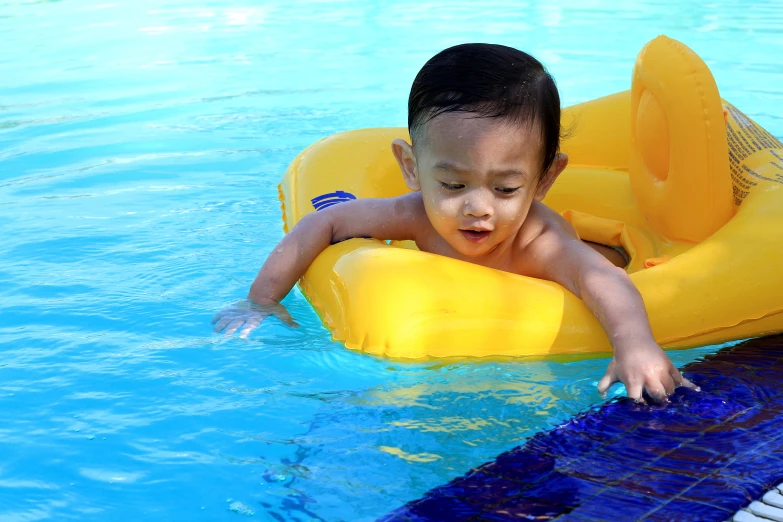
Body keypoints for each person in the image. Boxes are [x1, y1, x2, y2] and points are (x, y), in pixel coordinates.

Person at [213, 43, 698, 404]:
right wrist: (261, 300)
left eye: (505, 189)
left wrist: (635, 345)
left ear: (546, 178)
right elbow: (325, 223)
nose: (478, 208)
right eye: (452, 185)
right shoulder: (413, 214)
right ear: (410, 167)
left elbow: (603, 278)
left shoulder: (539, 242)